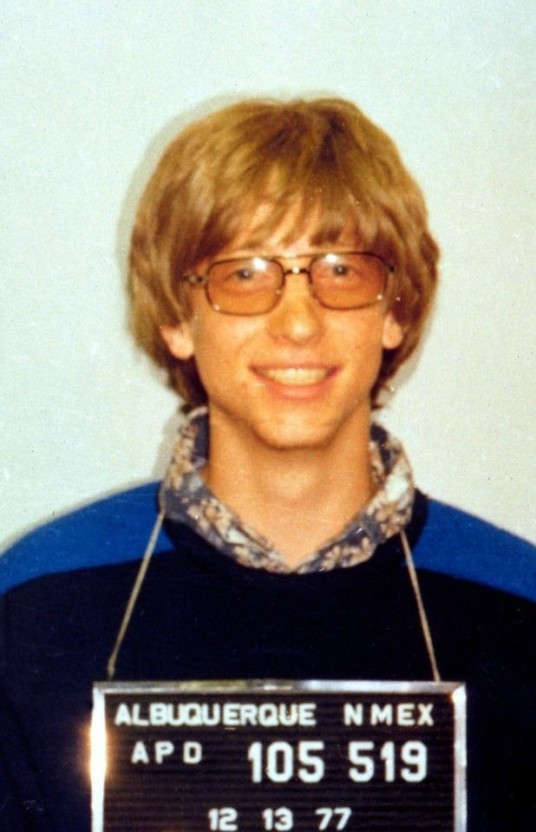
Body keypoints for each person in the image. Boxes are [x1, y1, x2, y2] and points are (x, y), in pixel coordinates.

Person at [0, 97, 534, 832]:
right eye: (245, 274)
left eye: (341, 270)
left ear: (395, 312)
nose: (298, 323)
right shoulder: (34, 609)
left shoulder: (518, 607)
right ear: (177, 320)